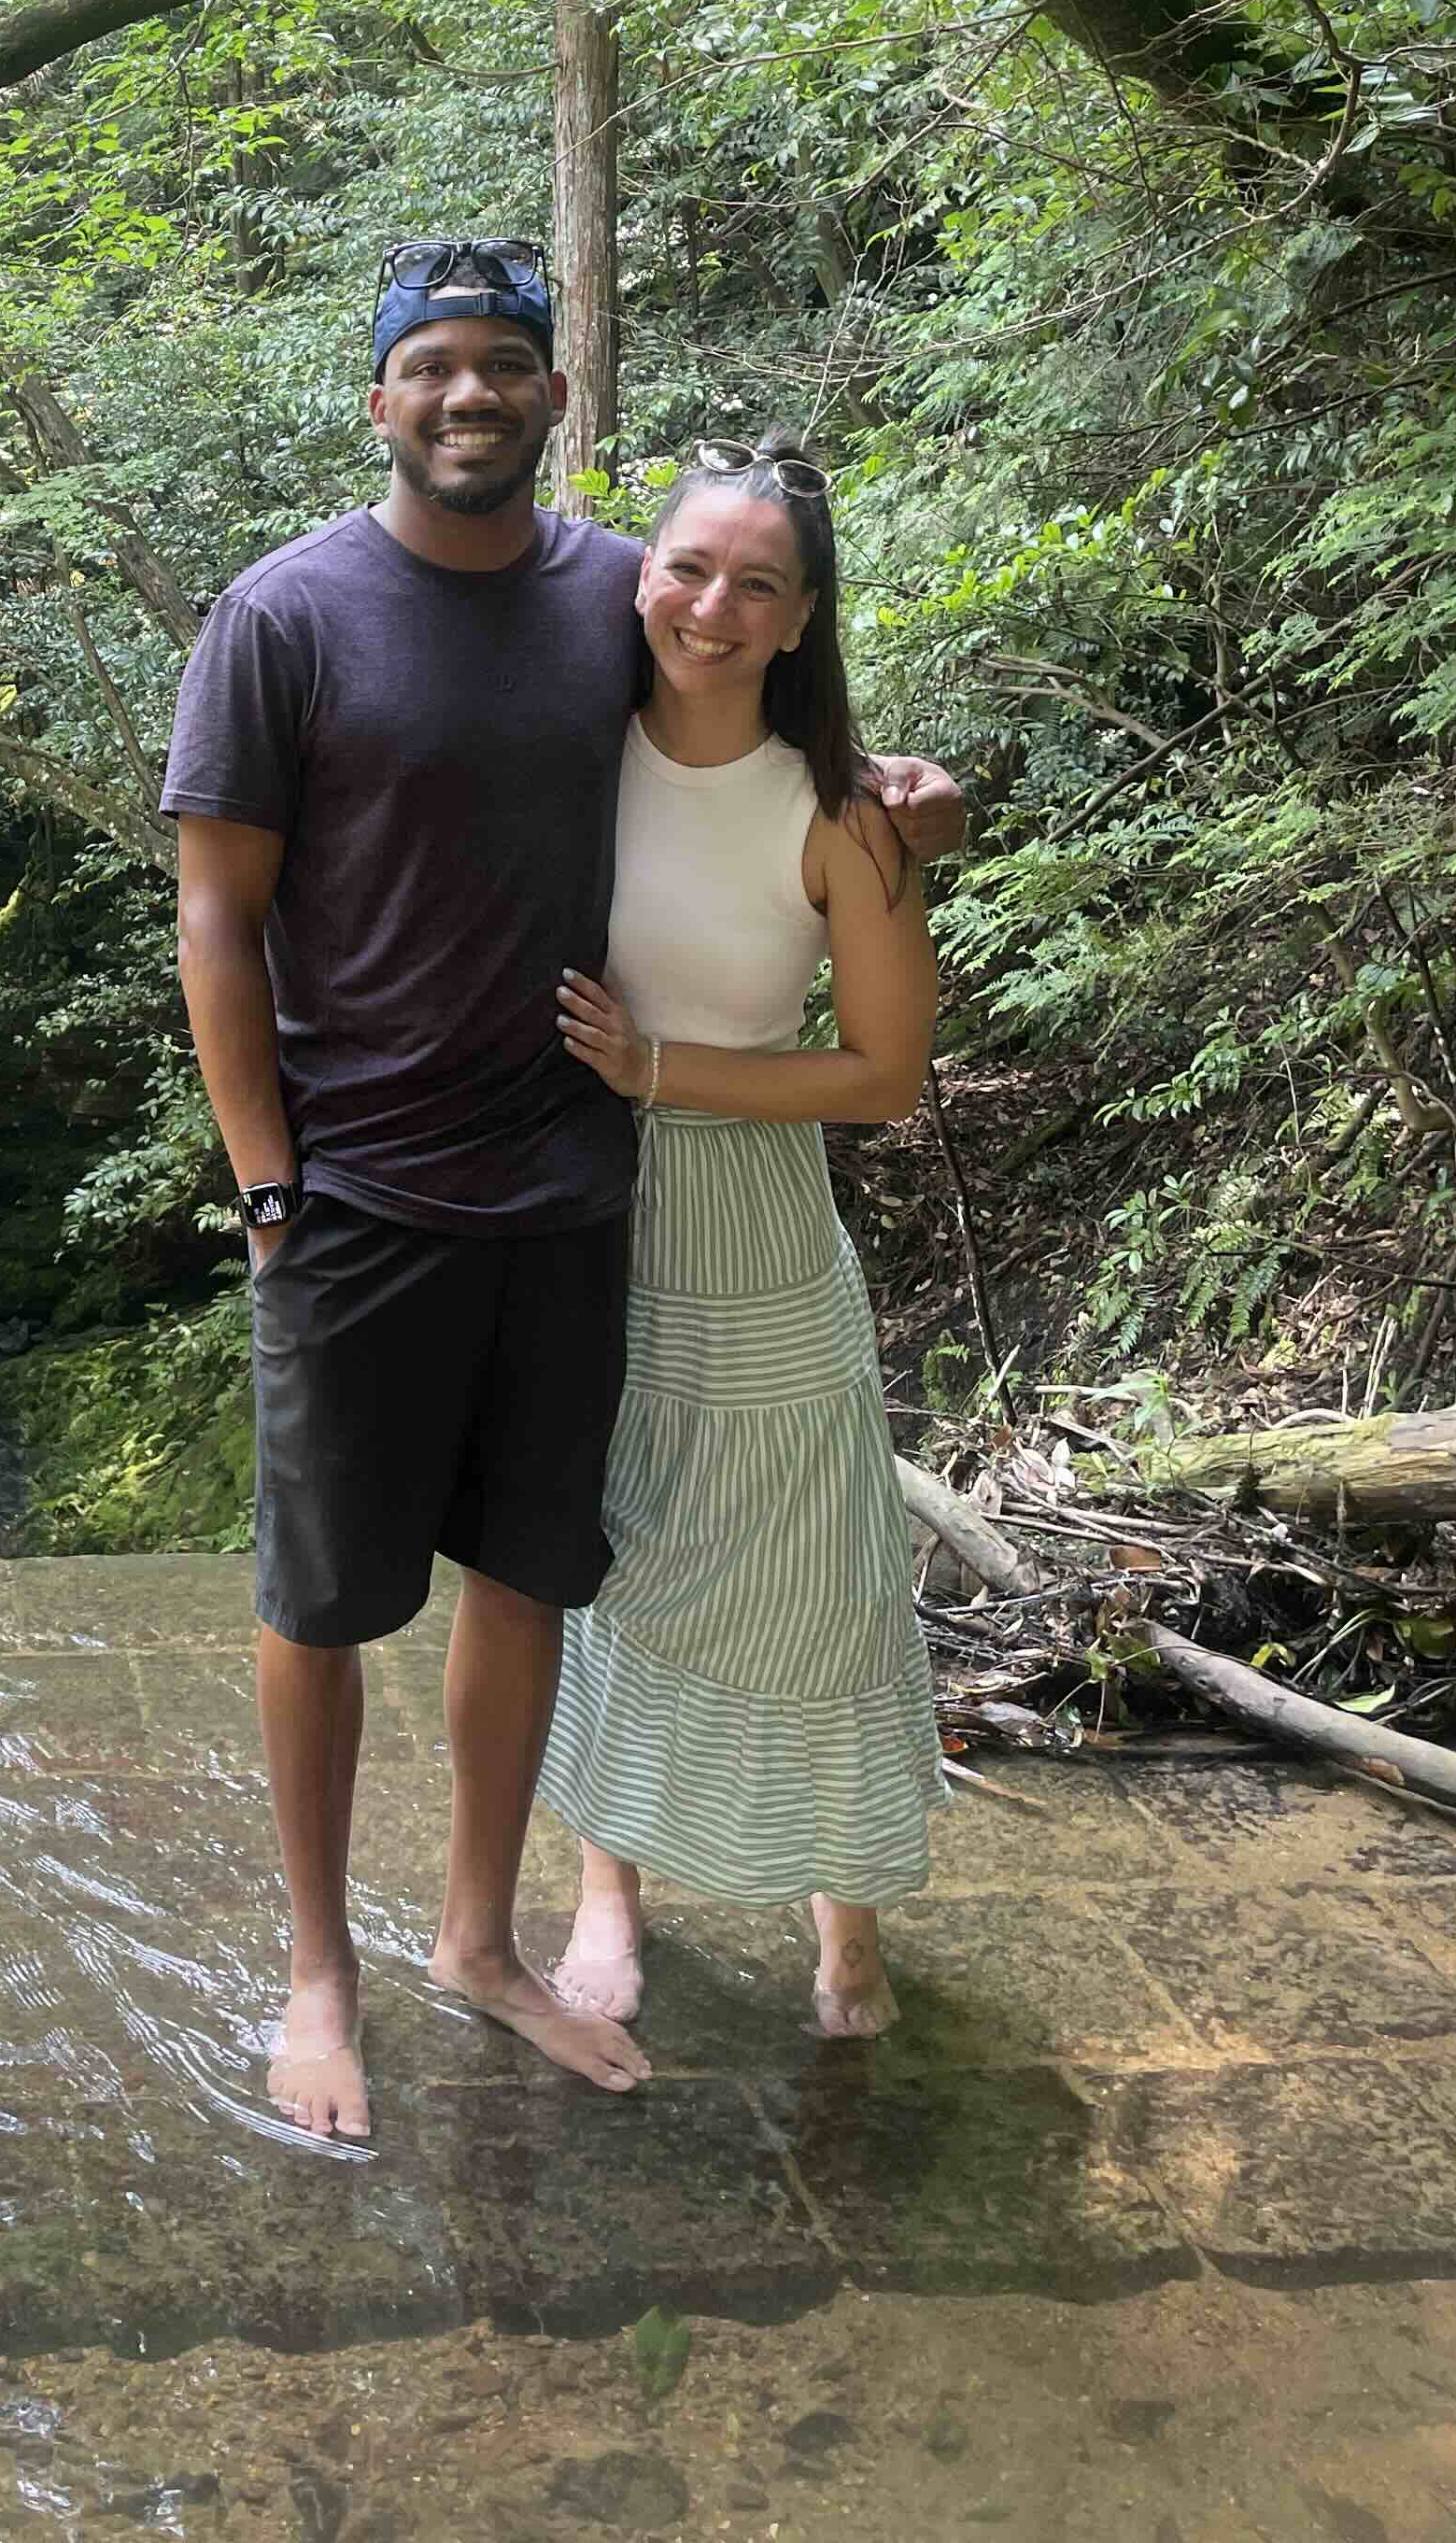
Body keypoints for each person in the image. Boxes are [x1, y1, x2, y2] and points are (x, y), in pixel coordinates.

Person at [162, 252, 962, 2143]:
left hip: (566, 1187)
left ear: (551, 398)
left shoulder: (616, 587)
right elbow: (216, 911)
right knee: (323, 1599)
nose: (467, 396)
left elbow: (760, 698)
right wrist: (265, 1189)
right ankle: (317, 1982)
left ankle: (480, 1943)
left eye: (504, 366)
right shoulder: (283, 618)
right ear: (378, 401)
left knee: (535, 1584)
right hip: (355, 1189)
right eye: (429, 368)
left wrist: (918, 799)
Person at [541, 433, 944, 2040]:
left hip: (760, 1212)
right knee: (601, 1550)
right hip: (576, 1207)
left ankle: (845, 1926)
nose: (711, 606)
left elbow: (889, 1074)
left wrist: (663, 1068)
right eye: (689, 567)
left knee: (816, 1569)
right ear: (641, 573)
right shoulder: (562, 751)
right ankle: (606, 1889)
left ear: (799, 619)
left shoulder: (841, 810)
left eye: (754, 584)